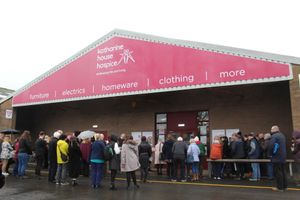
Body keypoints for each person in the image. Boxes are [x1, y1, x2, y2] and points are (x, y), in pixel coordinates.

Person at [269, 125, 287, 192]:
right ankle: (285, 186)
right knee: (283, 171)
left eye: (271, 129)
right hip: (283, 156)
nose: (270, 130)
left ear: (274, 130)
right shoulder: (282, 135)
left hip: (276, 157)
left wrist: (271, 154)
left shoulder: (274, 136)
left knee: (278, 172)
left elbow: (271, 146)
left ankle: (280, 188)